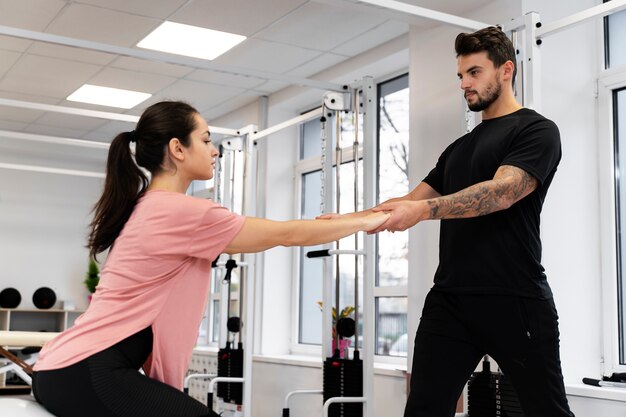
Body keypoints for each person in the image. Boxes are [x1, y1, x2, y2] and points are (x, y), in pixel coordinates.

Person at [31, 100, 389, 417]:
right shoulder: (181, 211)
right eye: (205, 140)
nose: (214, 150)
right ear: (177, 148)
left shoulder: (146, 206)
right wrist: (369, 220)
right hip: (87, 371)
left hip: (61, 369)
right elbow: (286, 234)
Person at [330, 26, 574, 416]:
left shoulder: (536, 130)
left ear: (506, 70)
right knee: (424, 409)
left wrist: (425, 212)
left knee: (547, 411)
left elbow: (502, 192)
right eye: (460, 75)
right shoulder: (458, 148)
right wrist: (346, 221)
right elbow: (410, 201)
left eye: (474, 72)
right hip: (451, 301)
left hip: (516, 299)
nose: (464, 83)